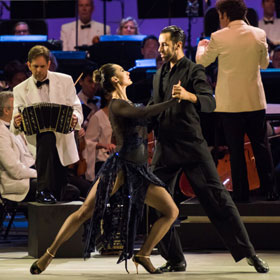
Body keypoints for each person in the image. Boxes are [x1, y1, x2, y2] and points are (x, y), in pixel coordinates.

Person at [29, 63, 179, 275]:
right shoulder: (117, 105)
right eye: (122, 71)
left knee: (171, 211)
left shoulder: (129, 103)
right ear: (115, 80)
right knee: (84, 213)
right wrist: (173, 101)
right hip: (119, 170)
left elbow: (147, 115)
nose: (127, 72)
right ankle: (48, 254)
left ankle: (143, 254)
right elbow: (145, 112)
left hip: (139, 172)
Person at [150, 24, 269, 273]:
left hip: (192, 146)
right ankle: (175, 258)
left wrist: (189, 95)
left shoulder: (194, 70)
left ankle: (249, 253)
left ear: (178, 45)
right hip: (166, 148)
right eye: (159, 44)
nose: (160, 49)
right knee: (156, 203)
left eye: (164, 44)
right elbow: (154, 107)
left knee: (218, 201)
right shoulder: (158, 74)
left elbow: (210, 102)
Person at [196, 0, 278, 202]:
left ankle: (241, 194)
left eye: (220, 15)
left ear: (224, 14)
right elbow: (265, 64)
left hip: (230, 104)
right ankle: (270, 190)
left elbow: (202, 62)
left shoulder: (218, 36)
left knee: (236, 149)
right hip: (254, 101)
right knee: (261, 146)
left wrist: (201, 47)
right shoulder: (258, 34)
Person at [10, 45, 83, 204]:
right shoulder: (20, 89)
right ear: (28, 65)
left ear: (49, 64)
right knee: (46, 136)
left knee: (61, 191)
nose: (38, 70)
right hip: (37, 144)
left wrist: (75, 118)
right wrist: (16, 121)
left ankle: (47, 191)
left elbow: (76, 107)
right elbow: (15, 116)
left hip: (62, 139)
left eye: (42, 66)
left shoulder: (65, 80)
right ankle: (42, 190)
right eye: (35, 66)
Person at [0, 91, 37, 202]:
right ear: (6, 111)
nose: (21, 111)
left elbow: (31, 155)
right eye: (17, 107)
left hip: (29, 173)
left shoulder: (18, 127)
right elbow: (15, 170)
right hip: (17, 182)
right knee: (68, 190)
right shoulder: (1, 132)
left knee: (65, 182)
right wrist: (40, 174)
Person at [84, 90, 115, 181]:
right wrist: (104, 145)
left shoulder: (122, 116)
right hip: (103, 163)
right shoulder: (97, 117)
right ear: (107, 96)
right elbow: (88, 142)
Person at [78, 63, 101, 128]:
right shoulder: (74, 102)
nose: (93, 86)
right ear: (81, 81)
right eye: (90, 81)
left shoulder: (101, 102)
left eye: (96, 82)